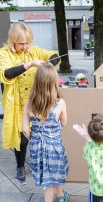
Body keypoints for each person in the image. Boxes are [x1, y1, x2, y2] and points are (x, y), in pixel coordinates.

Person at [0, 22, 60, 185]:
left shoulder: (34, 51)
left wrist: (50, 62)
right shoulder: (4, 54)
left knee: (38, 135)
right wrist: (31, 64)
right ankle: (20, 166)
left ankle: (39, 164)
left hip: (35, 101)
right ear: (12, 41)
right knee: (22, 139)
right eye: (21, 43)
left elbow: (54, 56)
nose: (25, 46)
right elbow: (5, 74)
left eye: (27, 43)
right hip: (16, 104)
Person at [22, 63, 68, 202]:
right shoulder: (60, 103)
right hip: (54, 145)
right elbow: (64, 123)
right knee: (51, 178)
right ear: (54, 82)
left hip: (37, 146)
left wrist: (35, 138)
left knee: (50, 174)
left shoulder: (29, 103)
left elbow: (24, 129)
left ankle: (60, 196)